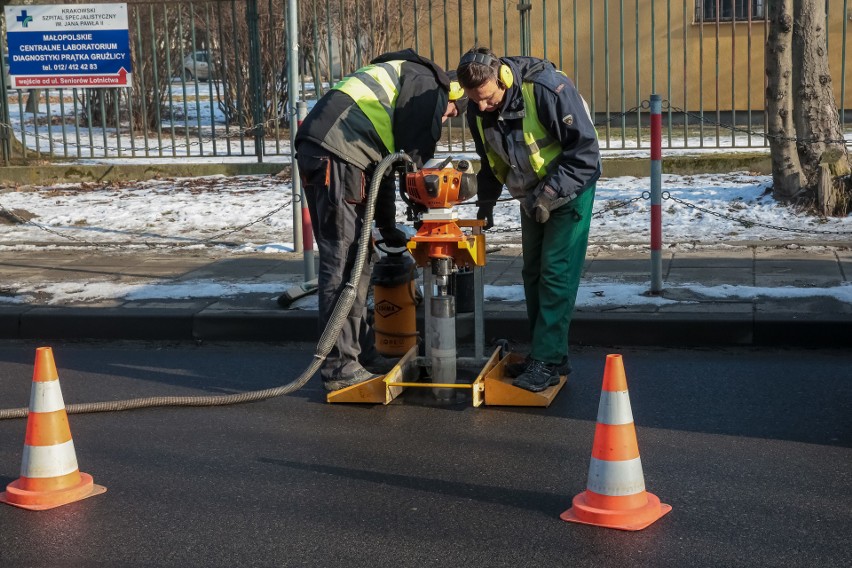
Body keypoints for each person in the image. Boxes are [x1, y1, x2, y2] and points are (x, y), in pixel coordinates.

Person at [294, 49, 468, 392]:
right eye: (449, 114)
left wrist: (387, 226)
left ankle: (359, 352)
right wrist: (426, 203)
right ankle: (340, 365)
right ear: (453, 98)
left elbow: (385, 170)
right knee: (345, 260)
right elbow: (411, 164)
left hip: (333, 151)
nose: (445, 119)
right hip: (338, 154)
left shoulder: (406, 79)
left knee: (361, 255)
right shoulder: (429, 88)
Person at [456, 47, 601, 392]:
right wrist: (485, 206)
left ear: (503, 79)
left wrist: (550, 195)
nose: (482, 107)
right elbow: (491, 161)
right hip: (532, 196)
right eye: (475, 101)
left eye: (488, 99)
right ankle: (547, 353)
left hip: (570, 190)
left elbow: (586, 154)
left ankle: (548, 360)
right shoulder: (477, 111)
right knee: (532, 271)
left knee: (555, 272)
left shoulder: (548, 90)